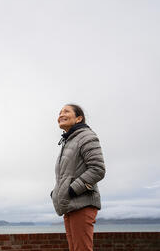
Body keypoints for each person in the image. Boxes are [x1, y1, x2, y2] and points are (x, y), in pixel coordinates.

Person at [51, 104, 105, 251]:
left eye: (66, 111)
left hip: (82, 203)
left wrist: (72, 190)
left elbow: (98, 169)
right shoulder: (69, 141)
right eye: (60, 112)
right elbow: (66, 175)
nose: (61, 114)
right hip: (70, 205)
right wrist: (56, 193)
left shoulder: (86, 136)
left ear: (79, 118)